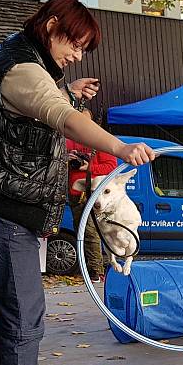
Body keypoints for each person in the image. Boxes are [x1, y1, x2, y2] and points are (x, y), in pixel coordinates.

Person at [0, 0, 155, 365]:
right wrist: (118, 147)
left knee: (17, 311)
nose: (77, 55)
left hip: (7, 200)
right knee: (23, 312)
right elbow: (59, 117)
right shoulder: (20, 69)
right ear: (52, 25)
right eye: (75, 44)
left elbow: (47, 104)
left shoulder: (29, 60)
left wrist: (71, 91)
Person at [66, 109, 118, 282]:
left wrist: (88, 168)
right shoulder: (68, 139)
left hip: (92, 194)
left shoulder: (97, 139)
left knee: (89, 232)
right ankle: (89, 269)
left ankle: (96, 271)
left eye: (83, 120)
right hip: (74, 194)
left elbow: (111, 166)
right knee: (79, 232)